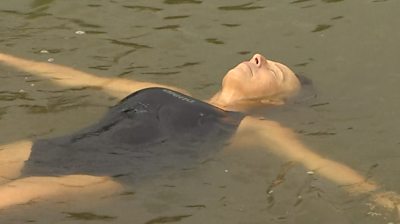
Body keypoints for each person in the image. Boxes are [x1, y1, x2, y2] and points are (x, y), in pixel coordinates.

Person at [0, 52, 399, 216]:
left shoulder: (252, 127)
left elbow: (321, 165)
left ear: (274, 103)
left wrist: (385, 199)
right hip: (61, 145)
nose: (257, 58)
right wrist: (7, 57)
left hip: (108, 175)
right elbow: (80, 79)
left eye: (272, 71)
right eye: (262, 59)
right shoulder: (166, 89)